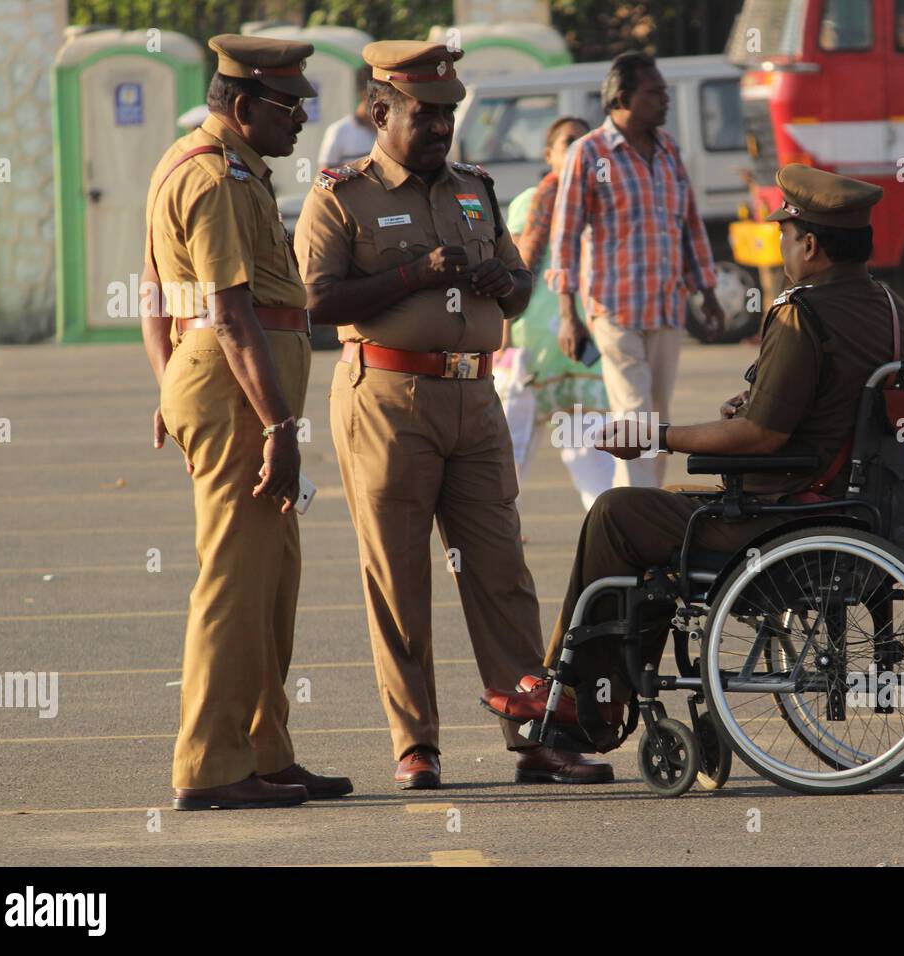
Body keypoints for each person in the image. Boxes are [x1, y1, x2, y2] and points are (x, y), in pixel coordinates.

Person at [482, 164, 904, 723]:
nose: (781, 246)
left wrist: (654, 435)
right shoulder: (890, 308)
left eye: (785, 235)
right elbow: (840, 401)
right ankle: (603, 690)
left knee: (618, 514)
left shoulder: (801, 313)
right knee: (667, 508)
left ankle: (578, 694)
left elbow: (759, 436)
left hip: (788, 516)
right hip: (866, 503)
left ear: (809, 245)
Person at [294, 40, 613, 789]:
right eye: (426, 114)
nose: (442, 127)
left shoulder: (475, 187)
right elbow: (318, 301)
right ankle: (417, 745)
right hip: (387, 399)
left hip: (476, 392)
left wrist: (509, 280)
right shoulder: (341, 193)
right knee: (399, 578)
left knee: (502, 570)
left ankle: (532, 735)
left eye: (449, 113)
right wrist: (412, 273)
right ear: (381, 112)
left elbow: (520, 290)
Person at [140, 34, 353, 810]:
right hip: (240, 397)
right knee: (234, 583)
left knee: (272, 580)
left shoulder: (202, 163)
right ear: (239, 106)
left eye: (303, 103)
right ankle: (208, 767)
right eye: (287, 104)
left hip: (224, 389)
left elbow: (153, 295)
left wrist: (168, 389)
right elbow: (230, 315)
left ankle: (264, 750)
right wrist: (277, 429)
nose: (301, 117)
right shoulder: (217, 178)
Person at [545, 52, 726, 490]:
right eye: (656, 93)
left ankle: (642, 509)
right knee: (636, 417)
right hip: (614, 311)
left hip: (666, 307)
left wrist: (708, 291)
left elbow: (689, 224)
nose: (665, 101)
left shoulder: (669, 151)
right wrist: (568, 314)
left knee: (658, 423)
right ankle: (634, 521)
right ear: (623, 98)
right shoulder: (588, 153)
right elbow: (565, 237)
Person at [495, 115, 614, 513]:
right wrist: (503, 334)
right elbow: (514, 270)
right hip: (530, 345)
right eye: (568, 142)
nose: (578, 149)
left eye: (585, 142)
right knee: (510, 451)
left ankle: (611, 531)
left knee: (592, 455)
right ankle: (497, 533)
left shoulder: (603, 203)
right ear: (549, 155)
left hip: (583, 346)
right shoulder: (531, 201)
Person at [317, 66, 377, 169]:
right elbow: (324, 176)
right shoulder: (339, 130)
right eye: (379, 96)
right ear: (365, 96)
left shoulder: (387, 130)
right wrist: (357, 170)